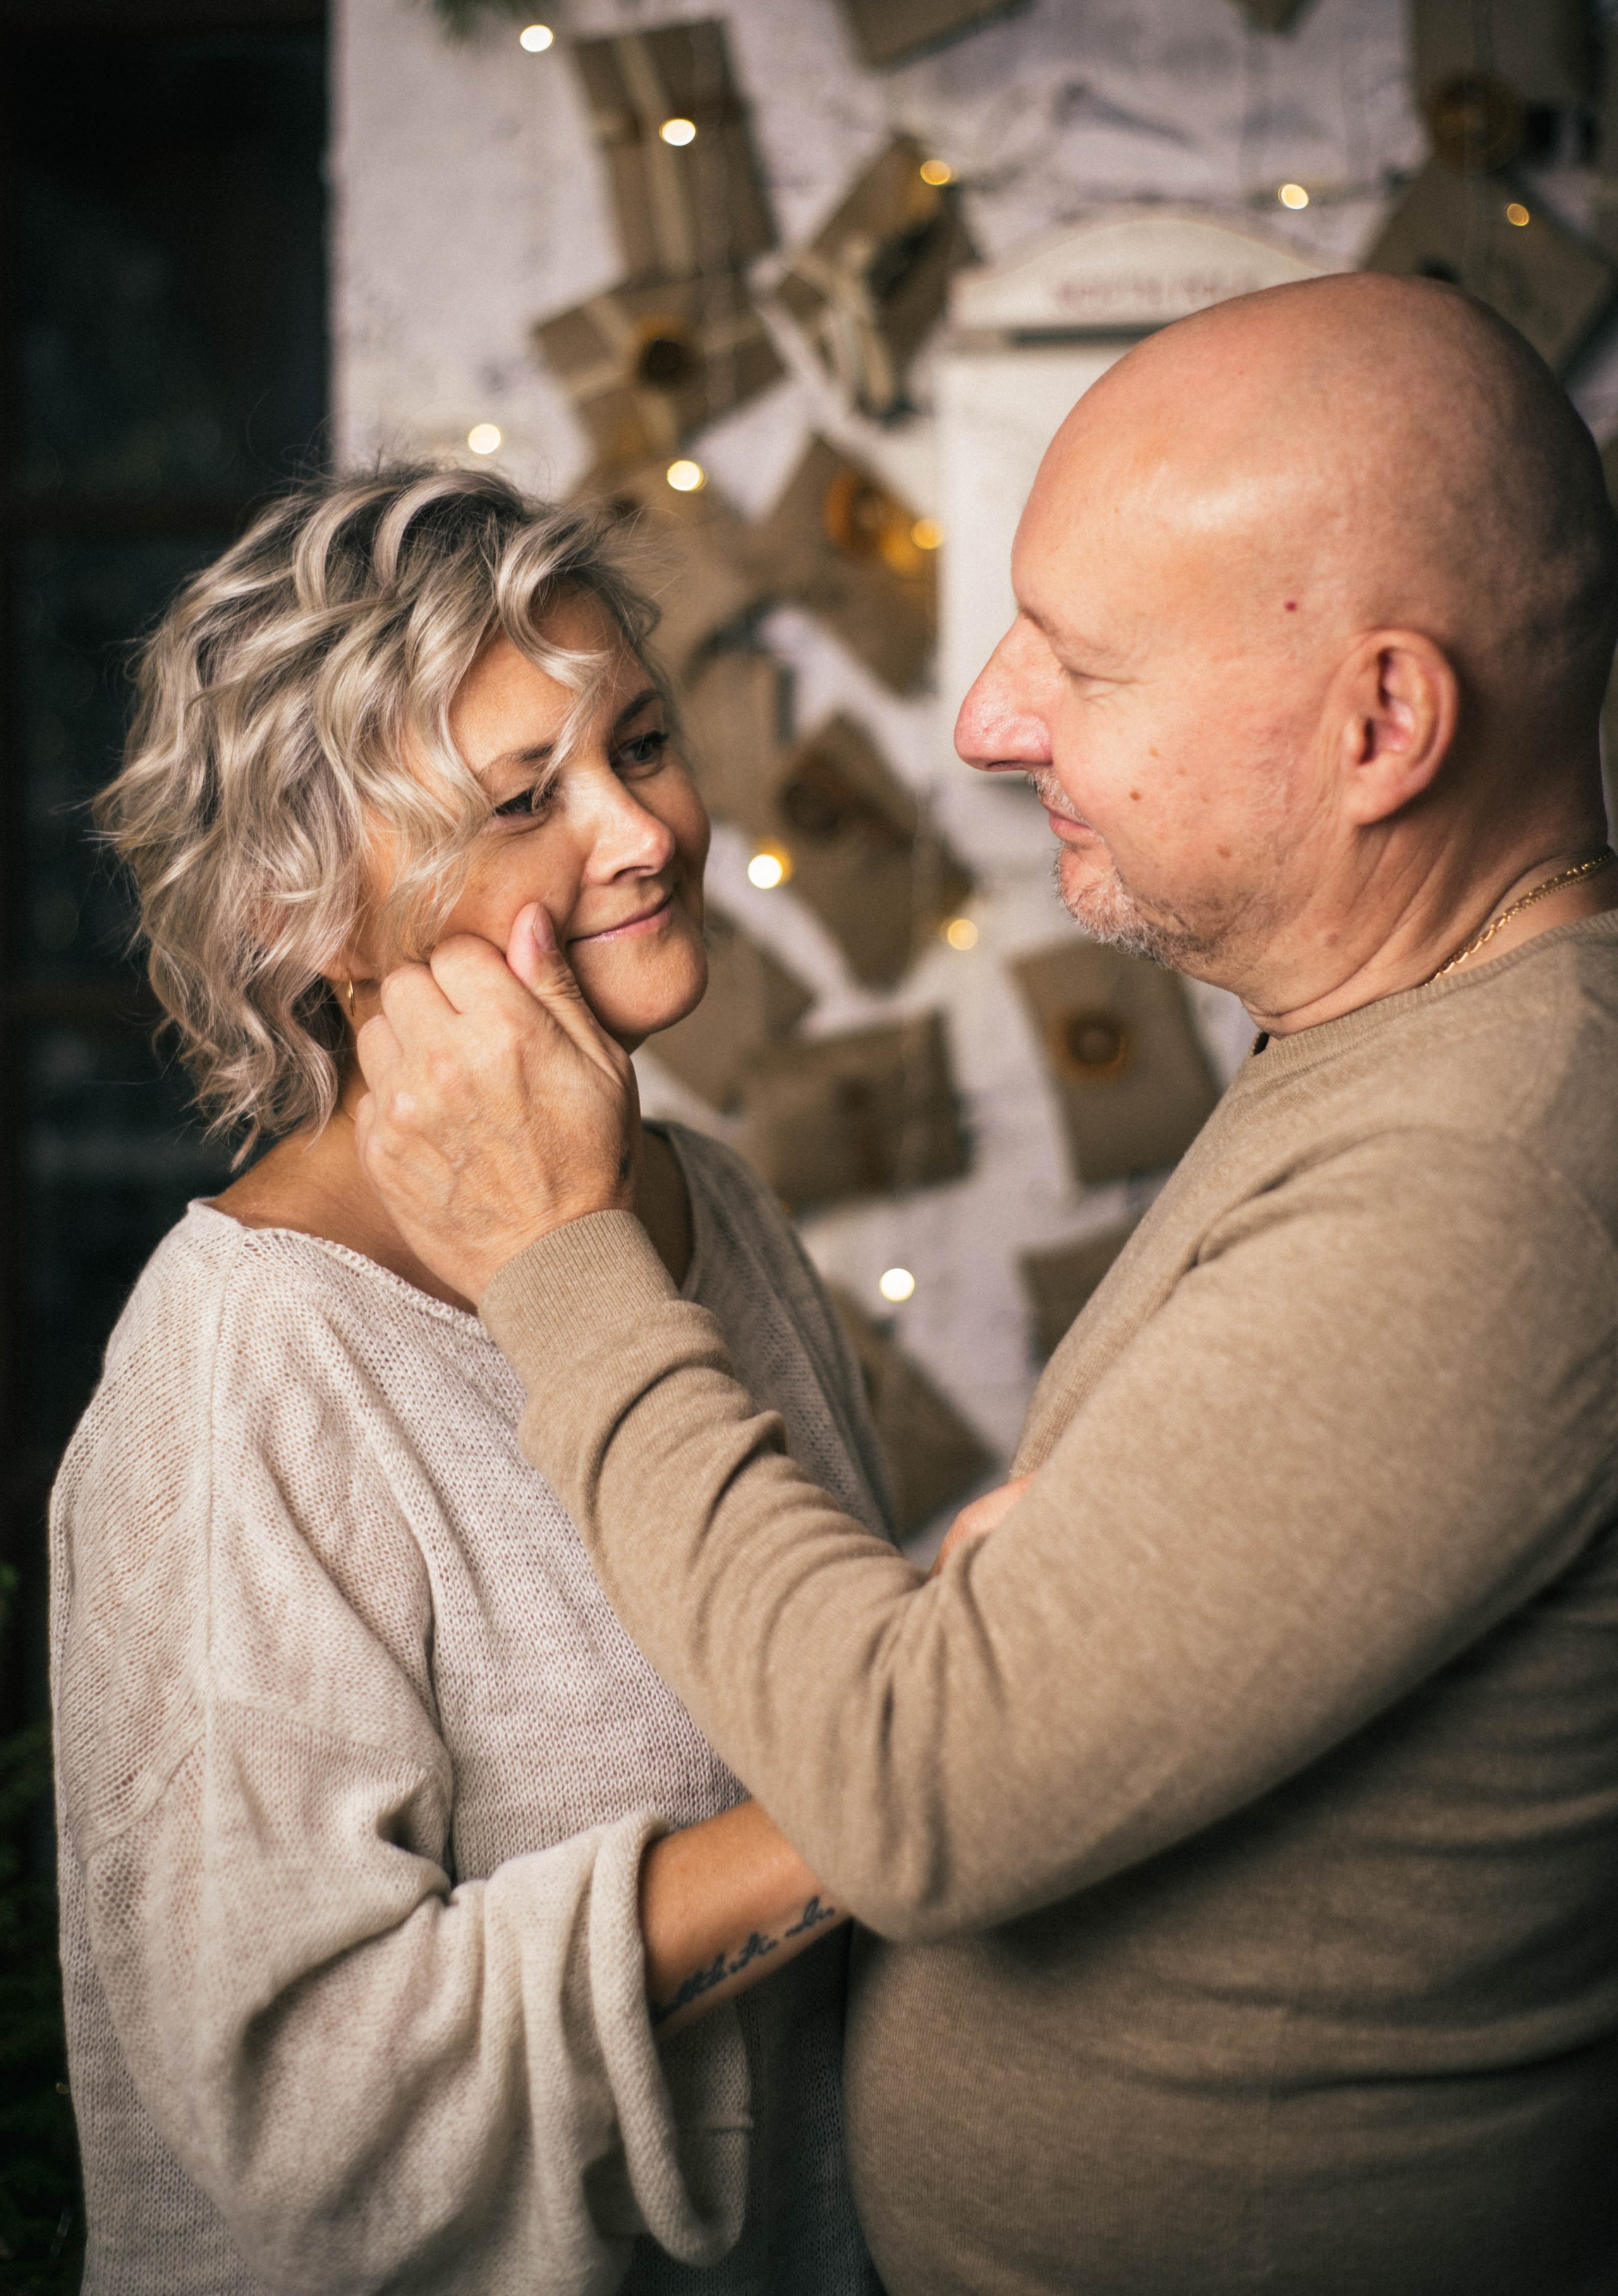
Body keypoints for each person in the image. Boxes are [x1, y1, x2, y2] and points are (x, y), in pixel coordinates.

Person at [350, 274, 1618, 2296]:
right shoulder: (1380, 1033)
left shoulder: (1496, 1168)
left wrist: (560, 1262)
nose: (987, 718)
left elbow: (916, 1789)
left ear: (1386, 723)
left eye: (1084, 663)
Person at [50, 466, 893, 2296]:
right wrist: (888, 1802)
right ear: (309, 918)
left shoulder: (712, 1204)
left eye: (642, 743)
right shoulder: (250, 1361)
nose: (643, 830)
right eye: (526, 801)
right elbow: (302, 2097)